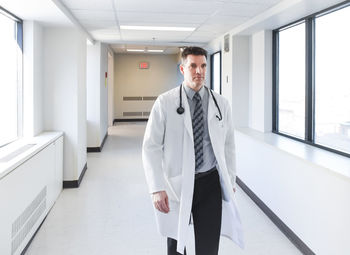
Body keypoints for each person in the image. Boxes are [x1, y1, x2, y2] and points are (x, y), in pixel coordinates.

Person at [142, 46, 244, 255]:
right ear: (183, 69)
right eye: (193, 66)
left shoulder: (220, 103)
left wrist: (230, 180)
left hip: (210, 183)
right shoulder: (165, 102)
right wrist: (156, 187)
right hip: (176, 183)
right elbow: (150, 146)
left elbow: (229, 146)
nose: (199, 71)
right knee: (176, 244)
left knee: (208, 245)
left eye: (203, 66)